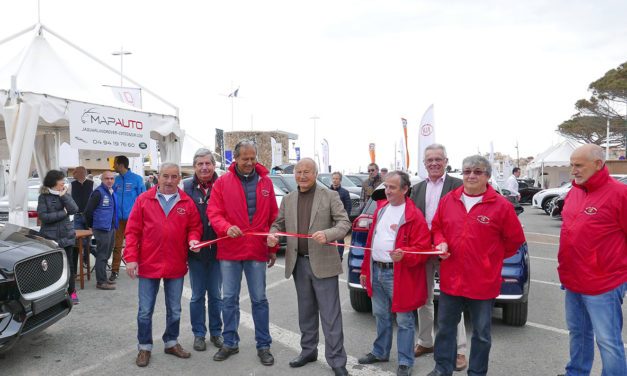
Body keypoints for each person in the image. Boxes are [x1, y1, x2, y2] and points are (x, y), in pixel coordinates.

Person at [427, 155, 525, 376]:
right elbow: (437, 227)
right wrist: (441, 241)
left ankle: (477, 372)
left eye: (478, 171)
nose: (471, 175)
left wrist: (490, 259)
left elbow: (515, 240)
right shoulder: (449, 200)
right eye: (467, 171)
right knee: (445, 330)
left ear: (487, 176)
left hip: (482, 283)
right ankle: (443, 368)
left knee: (481, 334)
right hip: (451, 280)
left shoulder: (501, 205)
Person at [268, 158, 351, 376]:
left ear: (315, 174)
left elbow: (344, 223)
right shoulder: (288, 199)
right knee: (306, 313)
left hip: (324, 264)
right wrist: (273, 234)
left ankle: (337, 361)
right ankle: (308, 351)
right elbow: (278, 224)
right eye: (298, 172)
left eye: (306, 172)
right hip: (299, 264)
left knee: (330, 315)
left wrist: (328, 234)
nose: (302, 176)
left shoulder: (330, 196)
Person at [207, 139, 278, 366]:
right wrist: (226, 227)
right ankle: (230, 342)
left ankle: (263, 345)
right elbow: (213, 212)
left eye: (252, 158)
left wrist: (273, 247)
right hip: (230, 250)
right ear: (235, 159)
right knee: (229, 299)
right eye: (244, 158)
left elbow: (274, 219)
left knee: (259, 299)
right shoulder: (222, 183)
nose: (249, 162)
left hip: (256, 250)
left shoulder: (266, 183)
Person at [557, 144, 627, 376]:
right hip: (572, 280)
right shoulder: (574, 191)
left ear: (598, 164)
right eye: (571, 165)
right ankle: (576, 372)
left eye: (578, 165)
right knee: (578, 334)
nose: (573, 171)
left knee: (608, 341)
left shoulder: (620, 194)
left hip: (604, 283)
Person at [124, 162, 202, 368]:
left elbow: (195, 227)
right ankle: (144, 346)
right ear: (158, 177)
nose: (169, 181)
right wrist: (131, 258)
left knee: (175, 309)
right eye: (166, 176)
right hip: (149, 264)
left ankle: (171, 342)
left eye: (174, 177)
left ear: (179, 178)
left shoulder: (187, 203)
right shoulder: (143, 200)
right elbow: (132, 232)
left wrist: (194, 239)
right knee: (145, 311)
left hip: (176, 264)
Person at [358, 171, 431, 376]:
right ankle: (380, 351)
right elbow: (370, 243)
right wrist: (365, 270)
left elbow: (423, 249)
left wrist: (405, 255)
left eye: (392, 187)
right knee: (380, 315)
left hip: (399, 275)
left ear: (405, 189)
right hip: (377, 270)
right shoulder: (381, 209)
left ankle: (406, 361)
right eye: (386, 187)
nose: (387, 191)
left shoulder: (414, 215)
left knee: (405, 320)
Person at [408, 144, 467, 371]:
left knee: (453, 300)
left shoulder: (459, 185)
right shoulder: (417, 188)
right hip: (423, 251)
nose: (434, 163)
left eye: (438, 159)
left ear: (446, 161)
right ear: (424, 164)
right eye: (429, 160)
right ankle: (426, 341)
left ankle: (459, 350)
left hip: (449, 251)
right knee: (422, 298)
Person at [183, 148, 224, 351]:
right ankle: (199, 334)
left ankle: (216, 333)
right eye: (200, 164)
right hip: (195, 252)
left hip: (219, 251)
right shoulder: (186, 187)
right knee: (197, 295)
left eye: (208, 163)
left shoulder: (223, 184)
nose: (204, 167)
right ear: (194, 166)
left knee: (216, 295)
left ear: (214, 165)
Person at [37, 170, 79, 303]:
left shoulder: (64, 194)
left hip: (67, 236)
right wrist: (63, 213)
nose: (63, 185)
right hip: (50, 239)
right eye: (61, 183)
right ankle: (54, 295)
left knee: (70, 266)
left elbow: (74, 209)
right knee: (52, 268)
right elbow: (44, 217)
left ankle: (72, 292)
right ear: (53, 183)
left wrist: (64, 196)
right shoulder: (43, 197)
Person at [111, 155, 146, 282]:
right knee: (117, 245)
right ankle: (114, 270)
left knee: (137, 244)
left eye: (115, 163)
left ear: (121, 165)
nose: (113, 166)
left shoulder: (137, 179)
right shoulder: (116, 180)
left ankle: (139, 268)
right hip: (119, 219)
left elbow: (144, 199)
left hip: (134, 219)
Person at [84, 170, 117, 290]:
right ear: (102, 180)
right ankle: (101, 281)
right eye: (107, 178)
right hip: (102, 228)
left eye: (112, 179)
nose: (109, 181)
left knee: (106, 254)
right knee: (102, 255)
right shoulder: (98, 193)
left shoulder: (111, 191)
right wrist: (91, 225)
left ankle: (103, 277)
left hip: (111, 227)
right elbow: (88, 211)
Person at [69, 166, 95, 268]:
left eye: (75, 172)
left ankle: (86, 260)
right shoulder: (71, 185)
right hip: (77, 216)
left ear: (81, 173)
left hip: (90, 216)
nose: (73, 174)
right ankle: (95, 255)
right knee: (81, 241)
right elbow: (68, 199)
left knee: (86, 240)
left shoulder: (93, 184)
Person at [329, 171, 351, 261]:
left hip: (340, 221)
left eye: (337, 179)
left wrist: (345, 219)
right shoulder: (327, 191)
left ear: (340, 181)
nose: (335, 180)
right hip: (329, 220)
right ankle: (329, 258)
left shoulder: (344, 192)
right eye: (333, 178)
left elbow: (348, 206)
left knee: (340, 241)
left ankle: (339, 258)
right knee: (329, 240)